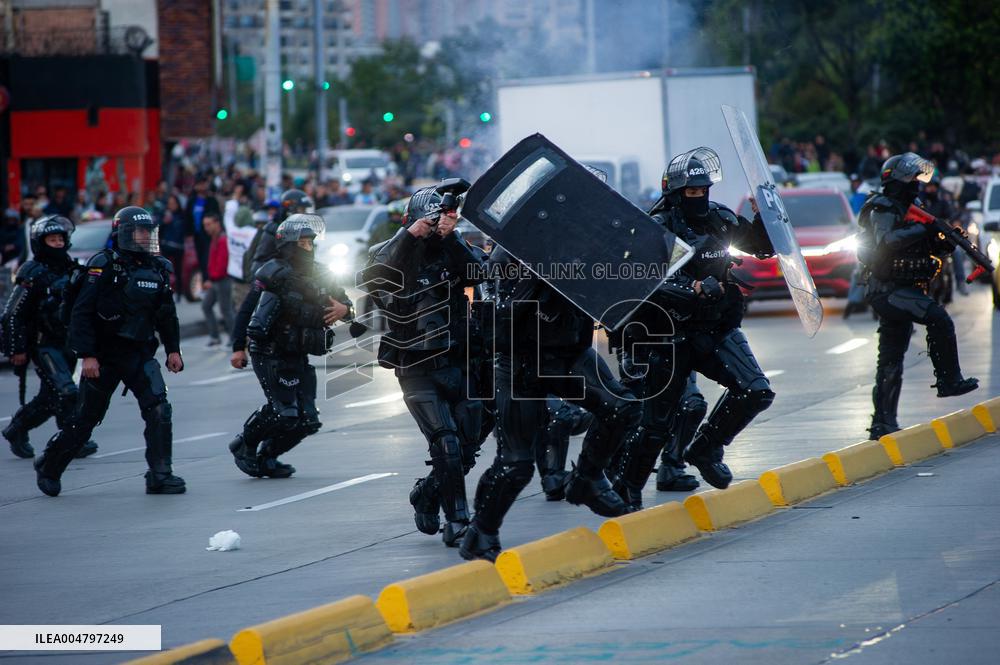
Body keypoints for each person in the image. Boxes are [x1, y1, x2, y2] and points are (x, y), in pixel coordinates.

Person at [612, 148, 775, 510]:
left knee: (756, 391)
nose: (700, 198)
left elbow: (762, 248)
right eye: (692, 192)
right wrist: (693, 288)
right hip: (669, 334)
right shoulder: (657, 227)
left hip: (715, 327)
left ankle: (705, 448)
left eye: (704, 190)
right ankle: (627, 491)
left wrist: (765, 216)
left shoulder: (718, 219)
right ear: (674, 192)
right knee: (656, 423)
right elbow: (643, 279)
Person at [459, 248, 641, 562]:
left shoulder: (585, 249)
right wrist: (536, 281)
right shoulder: (505, 258)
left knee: (622, 408)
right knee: (516, 463)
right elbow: (494, 324)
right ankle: (481, 531)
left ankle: (587, 477)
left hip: (570, 355)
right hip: (520, 364)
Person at [361, 184, 486, 547]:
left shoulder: (452, 249)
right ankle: (458, 520)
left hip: (459, 361)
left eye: (441, 219)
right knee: (445, 442)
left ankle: (428, 494)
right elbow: (378, 279)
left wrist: (451, 238)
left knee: (465, 447)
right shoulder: (388, 251)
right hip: (415, 365)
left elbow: (477, 273)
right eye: (430, 220)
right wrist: (409, 235)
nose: (435, 226)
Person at [33, 207, 185, 496]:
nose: (144, 236)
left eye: (148, 231)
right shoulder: (103, 265)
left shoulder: (158, 267)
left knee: (159, 409)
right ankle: (50, 465)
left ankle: (160, 475)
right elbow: (81, 313)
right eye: (139, 231)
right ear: (124, 232)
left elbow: (167, 313)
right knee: (86, 419)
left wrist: (173, 350)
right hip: (104, 356)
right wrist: (87, 355)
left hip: (139, 354)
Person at [858, 153, 978, 440]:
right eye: (912, 178)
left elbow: (929, 248)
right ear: (897, 179)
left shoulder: (914, 209)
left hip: (906, 288)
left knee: (891, 356)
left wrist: (944, 241)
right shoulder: (883, 208)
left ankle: (882, 422)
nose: (917, 184)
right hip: (887, 289)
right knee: (939, 319)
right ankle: (949, 380)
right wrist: (923, 228)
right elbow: (885, 243)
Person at [228, 214, 352, 478]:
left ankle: (267, 457)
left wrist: (345, 309)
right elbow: (248, 308)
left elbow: (346, 304)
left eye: (311, 242)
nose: (310, 247)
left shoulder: (321, 272)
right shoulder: (274, 273)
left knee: (308, 419)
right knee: (283, 412)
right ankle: (244, 445)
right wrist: (238, 346)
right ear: (291, 245)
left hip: (298, 353)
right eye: (304, 243)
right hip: (269, 351)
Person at [0, 217, 98, 459]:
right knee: (66, 391)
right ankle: (71, 441)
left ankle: (17, 429)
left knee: (50, 396)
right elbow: (12, 313)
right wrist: (16, 348)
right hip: (43, 345)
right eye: (52, 239)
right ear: (40, 243)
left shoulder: (72, 268)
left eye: (60, 239)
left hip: (67, 342)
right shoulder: (31, 272)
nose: (57, 243)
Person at [249, 189, 314, 276]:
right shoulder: (276, 228)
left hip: (285, 275)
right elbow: (290, 257)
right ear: (291, 209)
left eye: (305, 210)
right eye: (302, 209)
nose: (304, 213)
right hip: (270, 278)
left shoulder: (296, 228)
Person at [200, 213, 233, 347]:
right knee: (207, 306)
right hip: (215, 280)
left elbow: (221, 264)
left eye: (208, 224)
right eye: (204, 225)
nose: (206, 228)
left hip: (222, 279)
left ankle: (234, 338)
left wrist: (211, 278)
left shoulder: (222, 240)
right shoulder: (215, 239)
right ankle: (215, 336)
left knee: (226, 309)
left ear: (217, 224)